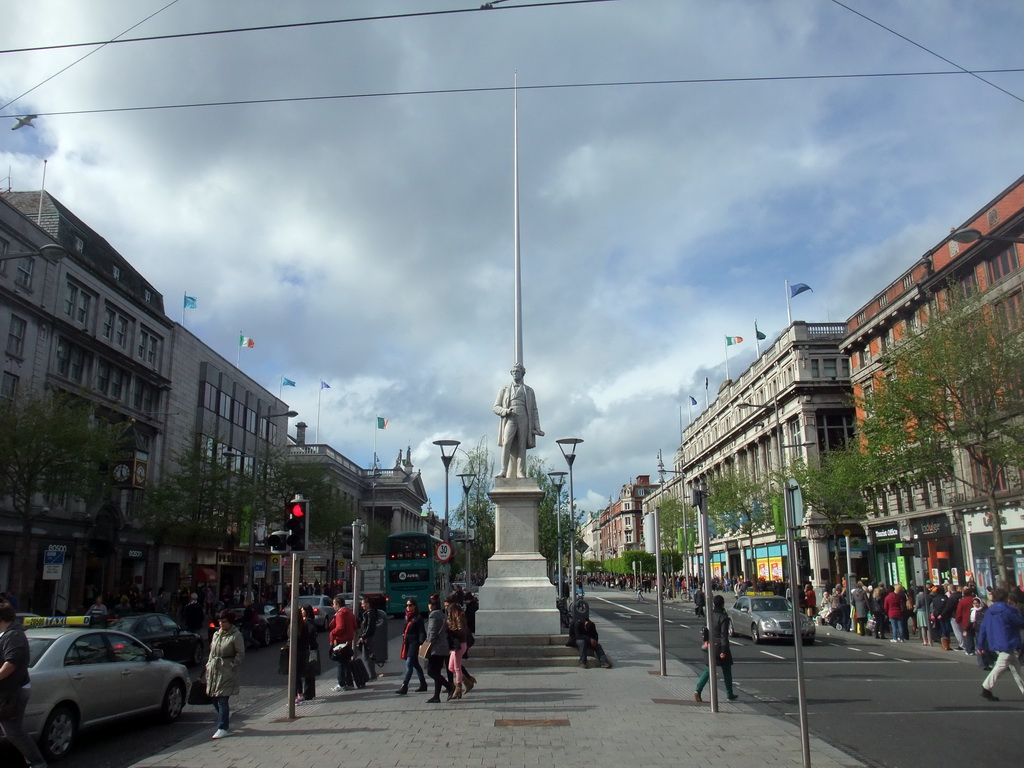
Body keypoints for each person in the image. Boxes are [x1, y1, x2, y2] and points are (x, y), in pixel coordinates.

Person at [0, 599, 48, 768]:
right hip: (7, 690)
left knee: (14, 731)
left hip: (13, 692)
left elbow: (11, 664)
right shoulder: (7, 634)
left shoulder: (14, 635)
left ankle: (38, 763)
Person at [493, 363, 544, 479]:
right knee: (506, 443)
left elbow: (534, 410)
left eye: (518, 371)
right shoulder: (504, 389)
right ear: (511, 373)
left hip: (524, 417)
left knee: (522, 444)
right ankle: (503, 470)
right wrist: (505, 411)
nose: (515, 373)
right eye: (514, 371)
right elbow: (495, 407)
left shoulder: (529, 390)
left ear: (522, 373)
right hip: (510, 417)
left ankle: (520, 472)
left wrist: (537, 427)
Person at [976, 587, 1024, 701]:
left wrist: (980, 644)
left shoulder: (989, 611)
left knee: (1016, 667)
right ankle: (986, 687)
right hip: (1008, 641)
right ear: (1006, 598)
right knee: (1001, 666)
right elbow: (1020, 623)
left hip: (995, 641)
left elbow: (983, 628)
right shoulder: (1008, 610)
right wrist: (1016, 610)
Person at [206, 609, 245, 739]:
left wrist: (233, 664)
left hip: (227, 670)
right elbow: (212, 650)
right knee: (213, 697)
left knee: (222, 699)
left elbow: (240, 652)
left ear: (230, 622)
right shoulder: (217, 634)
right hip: (215, 669)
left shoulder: (236, 635)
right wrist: (209, 664)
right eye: (220, 621)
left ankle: (222, 727)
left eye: (224, 622)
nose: (221, 624)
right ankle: (225, 714)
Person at [694, 595, 738, 702]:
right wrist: (724, 650)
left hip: (709, 644)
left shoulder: (709, 615)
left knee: (709, 669)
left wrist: (705, 641)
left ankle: (698, 689)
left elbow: (705, 629)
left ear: (714, 603)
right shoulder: (723, 617)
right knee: (726, 669)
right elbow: (724, 635)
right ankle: (729, 693)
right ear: (722, 603)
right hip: (720, 645)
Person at [424, 594, 453, 703]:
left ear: (431, 605)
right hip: (444, 647)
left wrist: (428, 643)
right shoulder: (442, 613)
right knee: (437, 671)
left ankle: (449, 686)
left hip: (436, 648)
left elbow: (432, 631)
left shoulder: (433, 615)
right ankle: (436, 696)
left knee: (431, 671)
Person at [395, 598, 428, 695]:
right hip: (408, 643)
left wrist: (421, 643)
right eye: (407, 605)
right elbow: (405, 628)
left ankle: (404, 686)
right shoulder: (407, 616)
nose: (408, 607)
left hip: (414, 643)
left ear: (414, 606)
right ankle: (423, 684)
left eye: (410, 605)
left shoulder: (418, 618)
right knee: (415, 664)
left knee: (409, 663)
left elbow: (422, 631)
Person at [329, 596, 357, 691]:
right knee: (346, 663)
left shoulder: (340, 614)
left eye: (333, 604)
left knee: (340, 663)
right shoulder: (349, 613)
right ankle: (349, 683)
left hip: (340, 641)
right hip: (348, 641)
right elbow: (355, 625)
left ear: (337, 605)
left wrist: (332, 633)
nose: (333, 606)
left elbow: (340, 627)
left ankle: (341, 683)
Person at [445, 593, 469, 700]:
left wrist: (450, 629)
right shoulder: (452, 615)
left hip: (459, 644)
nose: (445, 608)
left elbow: (461, 630)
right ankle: (467, 682)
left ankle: (458, 689)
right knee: (451, 667)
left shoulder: (458, 615)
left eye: (447, 606)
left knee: (457, 667)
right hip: (455, 645)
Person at [294, 605, 318, 703]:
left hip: (308, 649)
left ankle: (307, 693)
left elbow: (311, 633)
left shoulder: (307, 622)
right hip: (310, 648)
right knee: (309, 671)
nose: (302, 611)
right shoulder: (307, 621)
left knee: (308, 672)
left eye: (303, 610)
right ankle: (309, 693)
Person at [355, 596, 378, 683]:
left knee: (367, 656)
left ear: (368, 604)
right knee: (367, 655)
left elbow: (369, 627)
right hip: (367, 637)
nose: (362, 605)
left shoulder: (370, 613)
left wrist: (364, 637)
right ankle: (371, 674)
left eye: (363, 603)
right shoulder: (367, 613)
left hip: (368, 638)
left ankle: (371, 675)